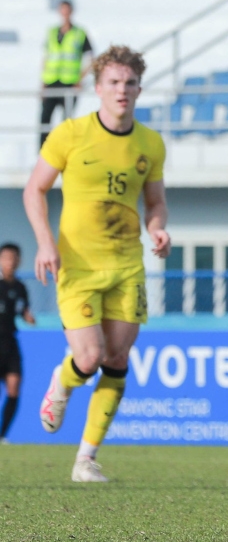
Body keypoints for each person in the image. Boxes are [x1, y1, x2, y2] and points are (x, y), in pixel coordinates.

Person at [23, 45, 170, 482]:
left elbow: (155, 201)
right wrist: (45, 244)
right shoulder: (69, 133)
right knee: (88, 358)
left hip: (127, 265)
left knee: (118, 358)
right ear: (97, 87)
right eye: (113, 82)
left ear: (139, 89)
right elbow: (34, 190)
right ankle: (62, 382)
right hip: (78, 265)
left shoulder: (150, 143)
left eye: (129, 83)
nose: (121, 90)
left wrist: (158, 228)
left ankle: (86, 459)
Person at [40, 0, 93, 149]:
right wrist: (43, 82)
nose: (65, 14)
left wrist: (80, 79)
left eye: (67, 10)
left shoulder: (79, 33)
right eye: (62, 10)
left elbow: (91, 58)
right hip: (51, 81)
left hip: (69, 83)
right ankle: (43, 154)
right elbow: (46, 57)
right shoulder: (51, 32)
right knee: (45, 120)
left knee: (67, 122)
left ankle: (64, 151)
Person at [0, 244, 36, 444]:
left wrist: (28, 317)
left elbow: (24, 310)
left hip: (10, 342)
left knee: (14, 387)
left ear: (19, 261)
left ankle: (2, 434)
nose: (10, 262)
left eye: (13, 258)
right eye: (6, 258)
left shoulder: (20, 287)